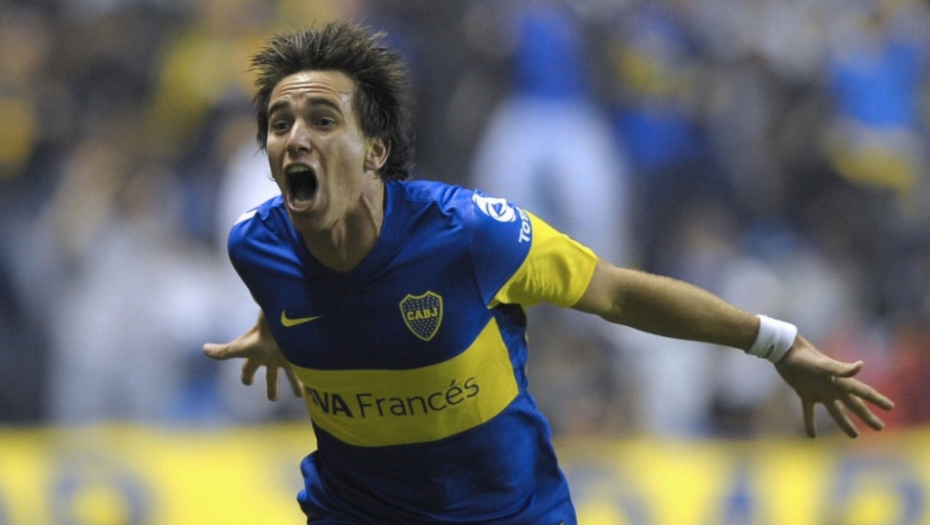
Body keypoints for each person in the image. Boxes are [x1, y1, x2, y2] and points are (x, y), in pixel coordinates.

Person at [203, 21, 894, 525]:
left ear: (374, 150)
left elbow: (616, 292)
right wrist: (275, 331)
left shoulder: (468, 235)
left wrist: (776, 342)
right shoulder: (255, 249)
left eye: (323, 119)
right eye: (280, 123)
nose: (296, 137)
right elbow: (295, 281)